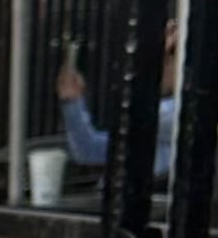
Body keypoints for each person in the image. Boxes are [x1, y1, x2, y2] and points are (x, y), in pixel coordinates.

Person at [57, 16, 180, 185]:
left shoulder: (175, 115)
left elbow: (141, 115)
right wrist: (72, 102)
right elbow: (87, 149)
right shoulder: (155, 126)